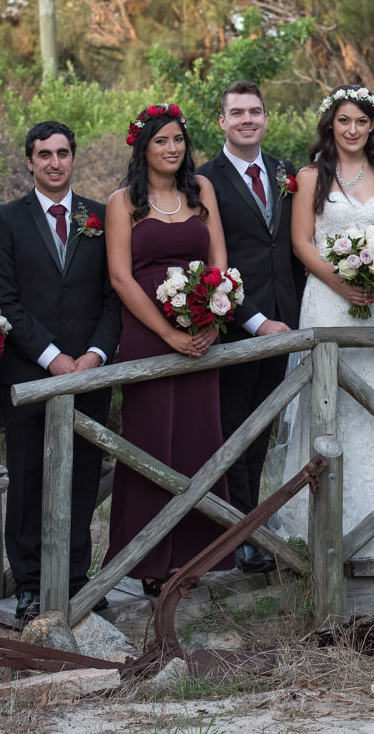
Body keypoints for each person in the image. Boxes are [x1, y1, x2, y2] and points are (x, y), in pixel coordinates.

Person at [272, 85, 374, 559]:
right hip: (327, 301)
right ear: (330, 125)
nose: (353, 130)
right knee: (327, 404)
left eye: (361, 121)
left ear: (373, 125)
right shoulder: (311, 176)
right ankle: (316, 526)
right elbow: (302, 242)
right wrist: (341, 282)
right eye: (344, 121)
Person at [0, 121, 122, 620]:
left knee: (83, 475)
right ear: (29, 162)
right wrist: (52, 358)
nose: (54, 162)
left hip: (89, 372)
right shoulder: (6, 220)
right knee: (26, 479)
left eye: (63, 153)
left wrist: (92, 357)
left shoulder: (102, 217)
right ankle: (29, 583)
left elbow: (114, 298)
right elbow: (4, 299)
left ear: (73, 158)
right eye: (44, 154)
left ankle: (75, 578)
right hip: (28, 373)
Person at [104, 105, 231, 594]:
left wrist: (214, 320)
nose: (172, 149)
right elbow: (120, 277)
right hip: (147, 335)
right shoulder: (123, 203)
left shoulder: (202, 193)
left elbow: (219, 262)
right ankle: (150, 561)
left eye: (178, 140)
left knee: (199, 439)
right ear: (143, 147)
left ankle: (198, 557)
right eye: (161, 141)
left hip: (203, 332)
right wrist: (168, 333)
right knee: (152, 443)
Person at [196, 81, 303, 574]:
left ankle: (252, 528)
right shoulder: (203, 181)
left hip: (287, 320)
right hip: (237, 324)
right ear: (221, 121)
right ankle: (237, 536)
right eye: (236, 112)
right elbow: (211, 263)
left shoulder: (286, 172)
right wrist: (254, 320)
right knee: (233, 431)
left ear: (266, 118)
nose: (246, 119)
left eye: (254, 112)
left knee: (261, 433)